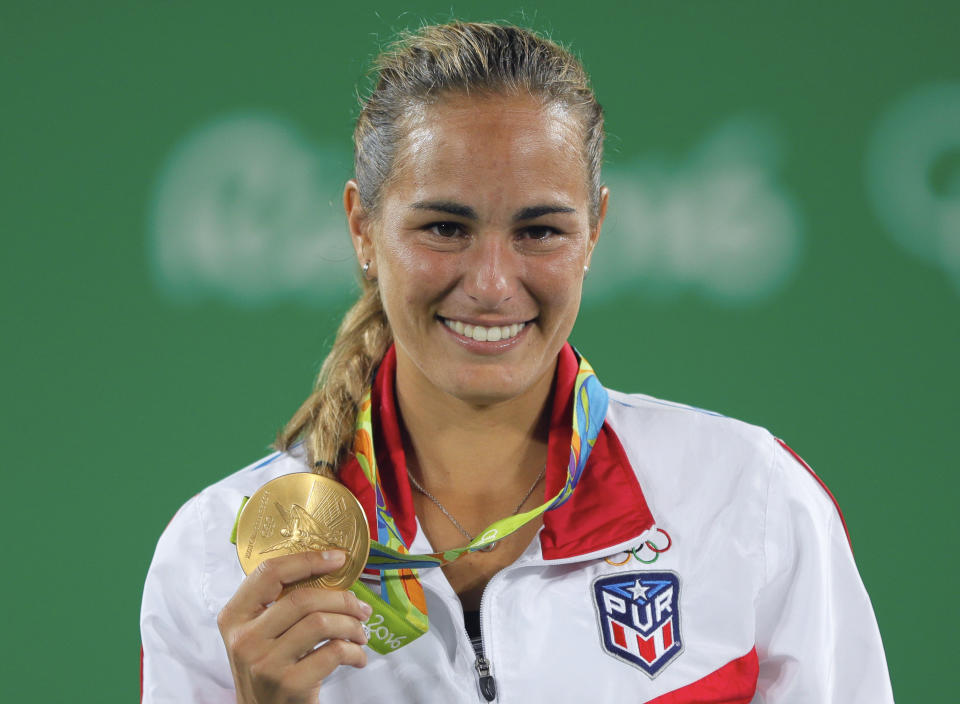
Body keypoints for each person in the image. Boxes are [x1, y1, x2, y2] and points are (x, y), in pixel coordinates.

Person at [140, 21, 894, 704]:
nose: (494, 283)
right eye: (444, 227)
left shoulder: (749, 501)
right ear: (362, 229)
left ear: (595, 231)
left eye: (539, 231)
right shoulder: (217, 556)